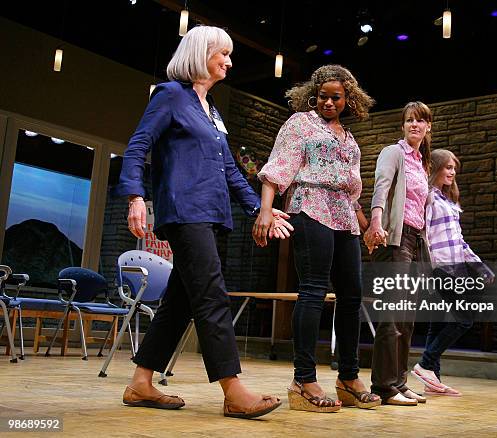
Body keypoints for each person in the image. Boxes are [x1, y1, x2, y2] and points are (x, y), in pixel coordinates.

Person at [116, 25, 291, 419]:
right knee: (212, 295)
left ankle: (141, 383)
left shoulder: (210, 110)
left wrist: (257, 209)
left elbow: (230, 169)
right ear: (198, 52)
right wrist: (135, 196)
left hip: (211, 215)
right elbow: (138, 146)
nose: (228, 61)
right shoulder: (170, 95)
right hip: (185, 211)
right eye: (222, 53)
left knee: (181, 301)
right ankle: (233, 390)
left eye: (230, 55)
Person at [253, 65, 381, 412]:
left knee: (352, 295)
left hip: (344, 215)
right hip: (310, 206)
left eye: (335, 97)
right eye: (322, 95)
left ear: (347, 99)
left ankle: (349, 378)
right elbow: (276, 169)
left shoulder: (348, 138)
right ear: (314, 93)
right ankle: (304, 379)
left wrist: (365, 223)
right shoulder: (300, 124)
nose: (328, 102)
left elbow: (353, 191)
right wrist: (265, 212)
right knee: (313, 288)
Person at [364, 101, 433, 406]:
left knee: (407, 318)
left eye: (419, 121)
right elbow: (381, 188)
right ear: (403, 126)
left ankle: (400, 382)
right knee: (391, 316)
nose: (413, 125)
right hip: (396, 239)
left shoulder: (421, 162)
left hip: (416, 240)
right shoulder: (394, 153)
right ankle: (383, 386)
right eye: (409, 121)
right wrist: (376, 223)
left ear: (428, 127)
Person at [411, 148, 494, 397]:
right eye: (447, 167)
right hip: (440, 269)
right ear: (435, 168)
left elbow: (459, 241)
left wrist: (479, 265)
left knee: (437, 324)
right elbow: (422, 235)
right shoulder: (428, 198)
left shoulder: (449, 201)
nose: (452, 172)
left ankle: (431, 379)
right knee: (464, 318)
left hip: (456, 269)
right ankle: (425, 364)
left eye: (454, 168)